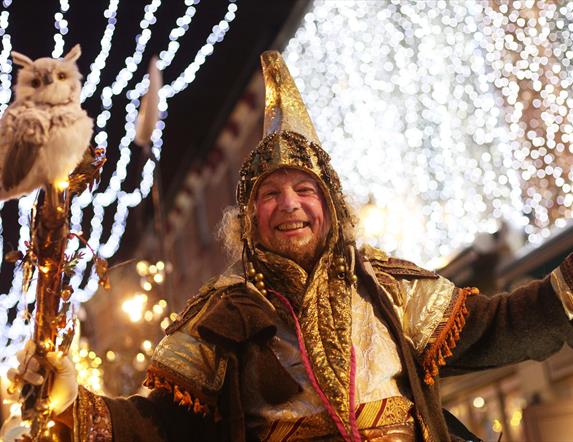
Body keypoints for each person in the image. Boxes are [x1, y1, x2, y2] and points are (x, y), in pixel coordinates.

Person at [7, 51, 573, 442]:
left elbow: (499, 325)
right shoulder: (220, 313)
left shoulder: (386, 287)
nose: (290, 204)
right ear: (249, 219)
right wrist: (72, 404)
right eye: (271, 194)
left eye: (305, 189)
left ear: (330, 208)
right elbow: (161, 426)